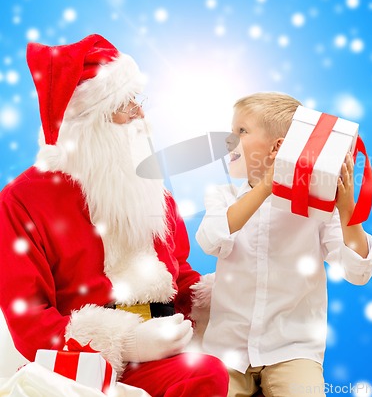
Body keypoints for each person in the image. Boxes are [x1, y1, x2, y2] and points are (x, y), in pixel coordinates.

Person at [0, 34, 229, 397]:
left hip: (166, 349)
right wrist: (128, 342)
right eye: (125, 105)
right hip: (82, 364)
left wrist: (222, 294)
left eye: (138, 101)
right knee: (204, 374)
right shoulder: (22, 200)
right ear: (87, 123)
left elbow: (178, 274)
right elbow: (29, 321)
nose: (141, 115)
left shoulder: (151, 190)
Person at [196, 92, 372, 397]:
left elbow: (358, 273)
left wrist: (346, 209)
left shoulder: (317, 210)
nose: (230, 139)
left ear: (278, 147)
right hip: (227, 349)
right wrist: (268, 185)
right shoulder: (223, 195)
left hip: (292, 349)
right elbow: (209, 240)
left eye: (242, 131)